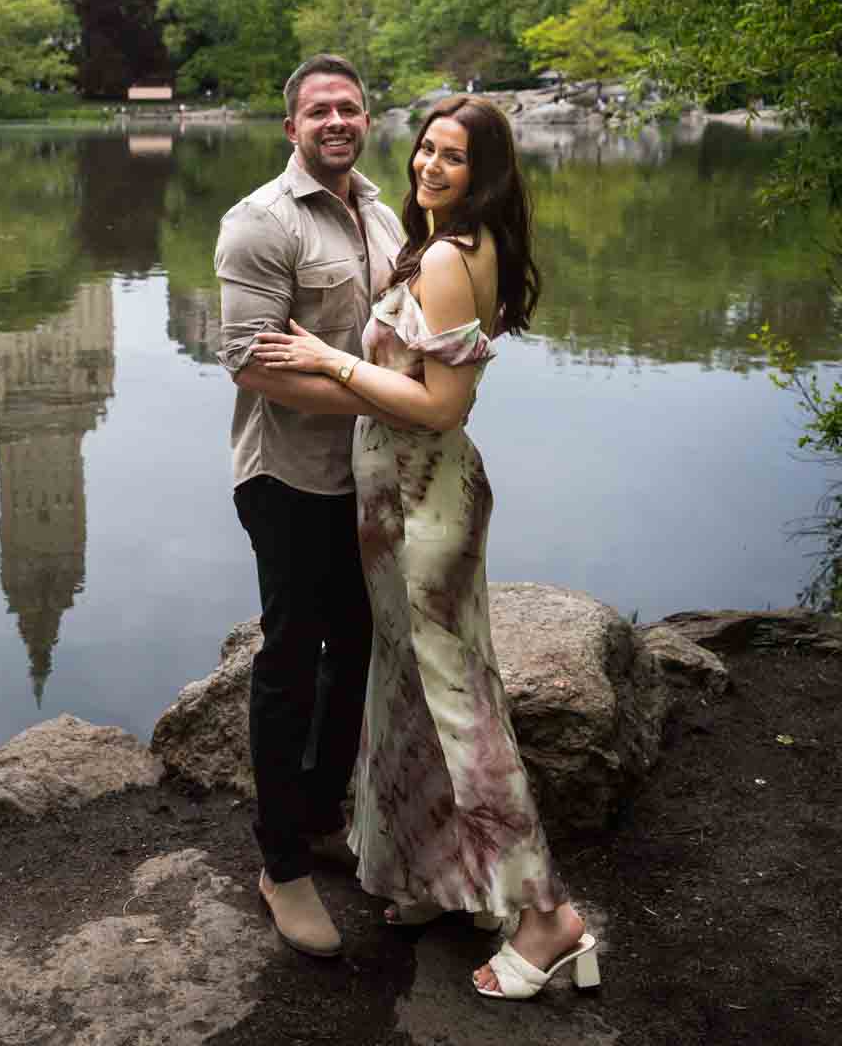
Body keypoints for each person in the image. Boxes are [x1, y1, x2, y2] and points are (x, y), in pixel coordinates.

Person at [251, 96, 599, 1002]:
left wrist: (330, 362)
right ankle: (443, 877)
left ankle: (549, 916)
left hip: (422, 504)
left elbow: (442, 406)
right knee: (407, 692)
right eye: (426, 152)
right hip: (405, 501)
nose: (429, 169)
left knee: (460, 709)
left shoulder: (449, 257)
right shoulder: (456, 244)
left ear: (484, 174)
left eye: (453, 159)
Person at [215, 53, 405, 959]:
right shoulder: (258, 224)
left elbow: (399, 340)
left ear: (366, 119)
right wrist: (391, 398)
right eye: (318, 110)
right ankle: (280, 863)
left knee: (360, 643)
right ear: (290, 126)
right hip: (286, 477)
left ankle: (324, 813)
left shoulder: (381, 212)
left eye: (351, 108)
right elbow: (254, 364)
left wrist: (385, 390)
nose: (336, 121)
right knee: (291, 653)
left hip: (369, 474)